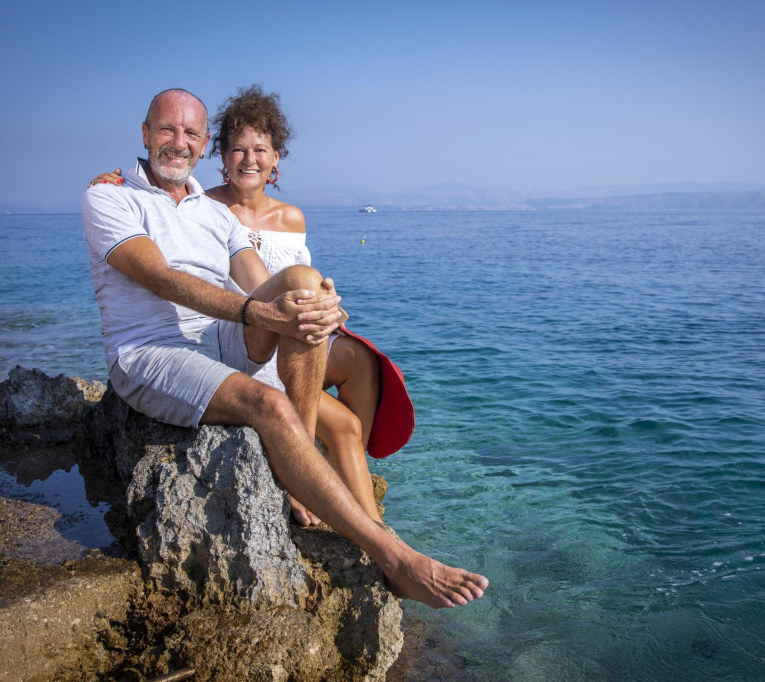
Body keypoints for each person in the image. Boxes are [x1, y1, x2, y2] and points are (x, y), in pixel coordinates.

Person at [82, 88, 487, 609]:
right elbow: (159, 278)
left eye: (189, 134)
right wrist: (260, 313)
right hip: (151, 351)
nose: (177, 143)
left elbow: (261, 282)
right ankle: (396, 558)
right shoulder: (109, 196)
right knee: (268, 405)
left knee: (301, 278)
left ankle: (298, 469)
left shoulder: (213, 213)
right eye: (166, 130)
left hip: (219, 337)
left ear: (203, 143)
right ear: (144, 133)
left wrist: (316, 302)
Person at [91, 86, 409, 527]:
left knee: (357, 355)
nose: (249, 158)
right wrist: (269, 313)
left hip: (262, 331)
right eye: (237, 149)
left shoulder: (271, 216)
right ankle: (321, 483)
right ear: (218, 154)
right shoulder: (189, 201)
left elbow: (271, 286)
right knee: (344, 426)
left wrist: (322, 305)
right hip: (235, 333)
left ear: (276, 157)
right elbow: (165, 276)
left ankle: (330, 479)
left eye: (260, 149)